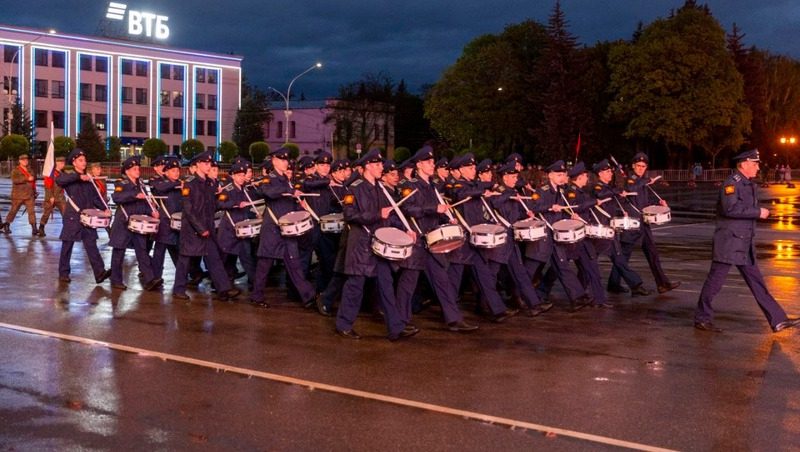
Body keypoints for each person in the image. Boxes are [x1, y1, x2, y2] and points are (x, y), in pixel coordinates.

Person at [694, 149, 800, 333]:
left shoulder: (747, 184)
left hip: (743, 243)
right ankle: (702, 318)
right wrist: (758, 212)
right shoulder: (732, 184)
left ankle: (778, 320)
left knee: (757, 282)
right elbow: (731, 209)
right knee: (715, 282)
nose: (758, 167)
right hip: (729, 243)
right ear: (744, 164)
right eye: (754, 163)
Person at [334, 149, 418, 341]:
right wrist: (377, 214)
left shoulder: (381, 189)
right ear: (368, 167)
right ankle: (344, 324)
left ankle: (395, 328)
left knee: (386, 286)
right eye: (379, 165)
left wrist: (405, 230)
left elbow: (391, 215)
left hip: (380, 246)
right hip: (361, 246)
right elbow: (350, 215)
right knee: (355, 287)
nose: (382, 168)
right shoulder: (353, 188)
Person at [171, 151, 241, 301]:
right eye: (205, 163)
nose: (209, 166)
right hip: (192, 229)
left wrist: (225, 201)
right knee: (185, 260)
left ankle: (224, 289)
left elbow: (213, 206)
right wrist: (200, 229)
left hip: (207, 228)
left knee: (214, 259)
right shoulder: (189, 183)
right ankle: (179, 289)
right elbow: (188, 210)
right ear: (197, 166)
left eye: (210, 163)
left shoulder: (210, 183)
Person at [607, 152, 680, 294]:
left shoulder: (642, 181)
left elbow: (643, 202)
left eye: (643, 166)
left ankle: (662, 283)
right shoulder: (629, 179)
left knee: (652, 253)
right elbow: (630, 189)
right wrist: (646, 181)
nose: (641, 168)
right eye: (638, 166)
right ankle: (613, 283)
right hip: (632, 223)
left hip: (643, 222)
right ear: (633, 166)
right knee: (624, 254)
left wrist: (658, 203)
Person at [55, 148, 111, 284]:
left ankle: (99, 273)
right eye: (81, 160)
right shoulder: (70, 176)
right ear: (74, 162)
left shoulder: (89, 180)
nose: (84, 162)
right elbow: (59, 180)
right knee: (67, 245)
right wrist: (79, 176)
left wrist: (105, 209)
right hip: (72, 216)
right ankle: (63, 273)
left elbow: (96, 198)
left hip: (88, 217)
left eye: (85, 160)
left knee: (91, 244)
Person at [109, 156, 162, 291]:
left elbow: (144, 204)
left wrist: (152, 212)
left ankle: (149, 279)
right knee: (119, 251)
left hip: (138, 223)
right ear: (127, 171)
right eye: (134, 169)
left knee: (142, 251)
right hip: (123, 222)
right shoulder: (122, 183)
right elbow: (116, 198)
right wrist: (133, 195)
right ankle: (116, 280)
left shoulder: (141, 185)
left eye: (138, 168)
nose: (137, 171)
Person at [4, 154, 39, 236]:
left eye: (26, 160)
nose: (25, 161)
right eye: (23, 160)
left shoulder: (30, 170)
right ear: (20, 161)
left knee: (31, 212)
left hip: (29, 195)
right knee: (13, 211)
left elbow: (33, 181)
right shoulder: (15, 170)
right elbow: (15, 180)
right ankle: (7, 225)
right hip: (18, 195)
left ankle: (34, 228)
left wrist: (34, 191)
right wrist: (26, 178)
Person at [39, 156, 68, 237]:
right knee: (46, 213)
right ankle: (41, 227)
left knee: (65, 213)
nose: (63, 164)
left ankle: (67, 229)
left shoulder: (63, 173)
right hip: (51, 196)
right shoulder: (51, 173)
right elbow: (47, 186)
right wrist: (50, 196)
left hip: (60, 197)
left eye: (64, 163)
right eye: (61, 163)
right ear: (57, 163)